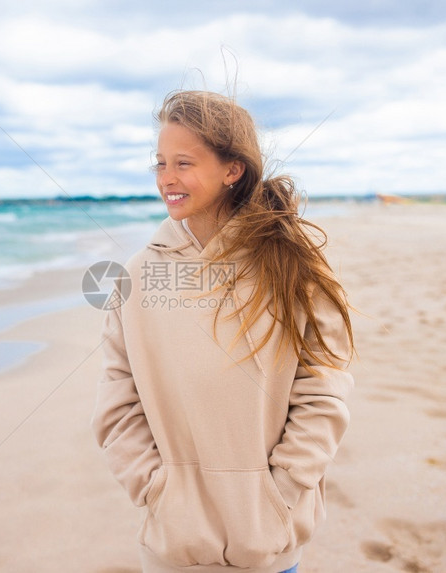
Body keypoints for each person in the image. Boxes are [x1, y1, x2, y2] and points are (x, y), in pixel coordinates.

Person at [91, 90, 355, 572]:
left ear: (232, 169)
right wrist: (156, 490)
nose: (167, 178)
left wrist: (280, 493)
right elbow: (117, 397)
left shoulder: (293, 265)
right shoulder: (137, 274)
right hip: (174, 548)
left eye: (184, 163)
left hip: (271, 546)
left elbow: (323, 392)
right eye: (160, 163)